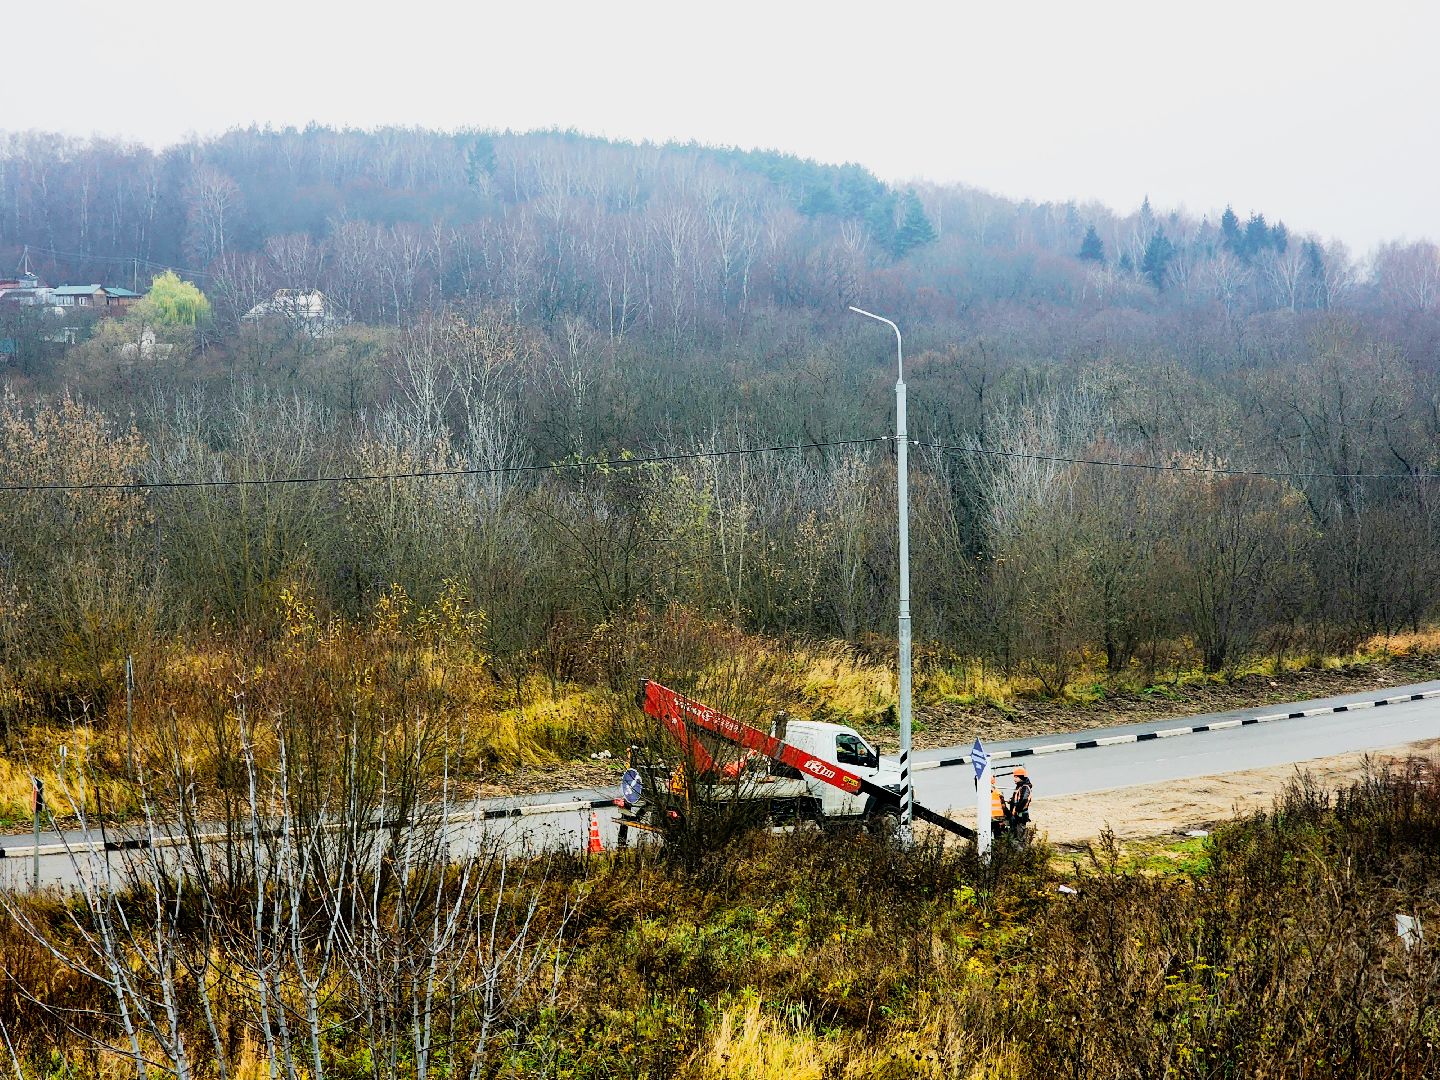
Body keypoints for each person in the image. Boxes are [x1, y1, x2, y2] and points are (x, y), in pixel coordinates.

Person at [1008, 767, 1033, 838]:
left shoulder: (1025, 787)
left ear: (1021, 777)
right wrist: (1011, 801)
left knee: (1020, 837)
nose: (1014, 779)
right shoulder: (1019, 787)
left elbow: (1023, 801)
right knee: (1015, 836)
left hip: (1020, 816)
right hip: (1017, 815)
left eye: (1016, 777)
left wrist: (1016, 810)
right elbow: (1017, 798)